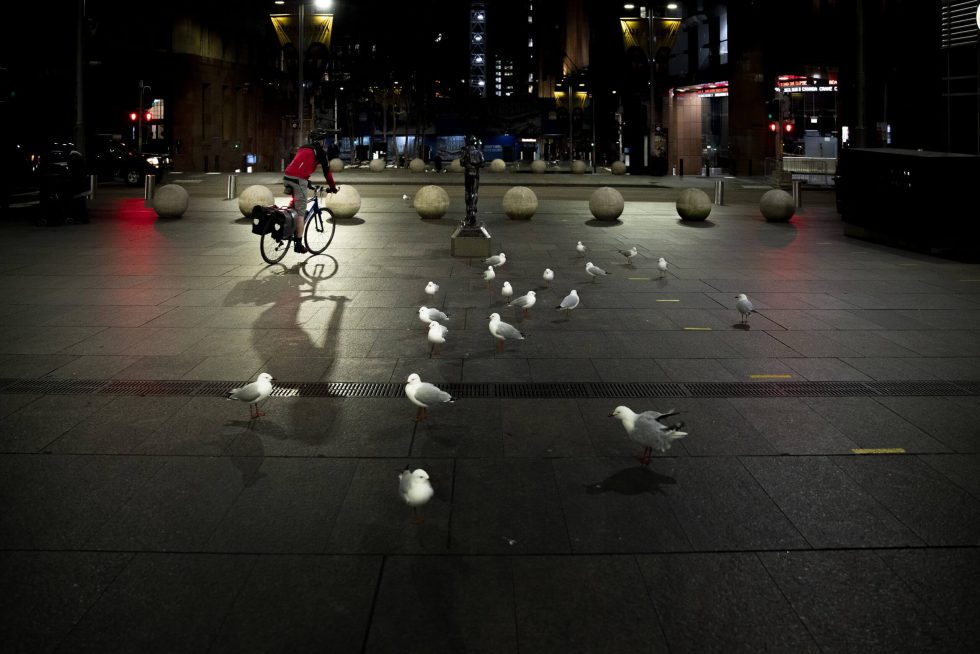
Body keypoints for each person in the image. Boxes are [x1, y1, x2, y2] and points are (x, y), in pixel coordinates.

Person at [283, 129, 338, 253]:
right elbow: (327, 173)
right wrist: (333, 188)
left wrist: (307, 182)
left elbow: (300, 165)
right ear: (322, 141)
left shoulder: (303, 148)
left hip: (287, 176)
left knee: (295, 204)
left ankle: (288, 223)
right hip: (298, 180)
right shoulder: (321, 152)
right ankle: (298, 244)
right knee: (301, 213)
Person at [459, 134, 484, 226]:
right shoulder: (479, 152)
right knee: (475, 192)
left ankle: (468, 214)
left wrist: (467, 164)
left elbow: (461, 162)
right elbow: (483, 163)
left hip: (468, 173)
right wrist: (476, 165)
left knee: (467, 192)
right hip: (475, 174)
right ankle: (473, 210)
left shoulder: (465, 151)